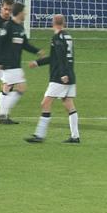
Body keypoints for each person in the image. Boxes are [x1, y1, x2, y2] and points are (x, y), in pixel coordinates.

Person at [25, 14, 80, 144]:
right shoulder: (67, 36)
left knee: (45, 103)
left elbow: (60, 57)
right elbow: (55, 57)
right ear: (64, 23)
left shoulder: (57, 37)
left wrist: (62, 74)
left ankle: (39, 135)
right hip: (70, 75)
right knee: (69, 105)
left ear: (53, 23)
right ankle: (75, 136)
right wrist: (38, 63)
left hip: (59, 78)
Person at [0, 2, 43, 124]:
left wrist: (37, 51)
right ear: (19, 13)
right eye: (24, 12)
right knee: (21, 87)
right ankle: (2, 114)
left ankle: (2, 116)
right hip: (9, 64)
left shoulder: (20, 27)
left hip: (15, 64)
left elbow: (25, 44)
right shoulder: (8, 26)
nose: (26, 13)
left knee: (7, 88)